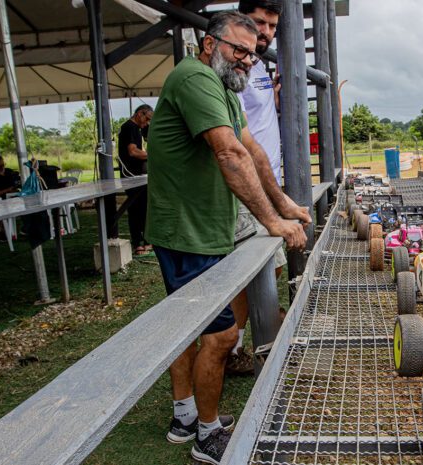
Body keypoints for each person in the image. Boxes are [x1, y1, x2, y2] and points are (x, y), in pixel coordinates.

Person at [145, 11, 310, 464]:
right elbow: (230, 152)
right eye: (238, 49)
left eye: (253, 55)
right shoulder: (196, 78)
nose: (246, 61)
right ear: (208, 43)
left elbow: (251, 146)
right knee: (219, 337)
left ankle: (185, 416)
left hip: (202, 226)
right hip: (185, 231)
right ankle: (206, 433)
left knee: (190, 328)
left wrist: (284, 204)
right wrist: (274, 223)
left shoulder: (222, 85)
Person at [225, 0, 285, 376]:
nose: (265, 31)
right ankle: (230, 345)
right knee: (250, 270)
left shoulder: (258, 65)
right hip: (250, 185)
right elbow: (239, 136)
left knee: (268, 268)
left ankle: (234, 343)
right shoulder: (234, 68)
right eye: (259, 22)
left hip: (268, 182)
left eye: (272, 26)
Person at [117, 104, 153, 255]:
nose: (147, 123)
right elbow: (132, 152)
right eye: (147, 119)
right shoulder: (130, 127)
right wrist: (153, 155)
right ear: (140, 113)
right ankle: (140, 242)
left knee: (137, 208)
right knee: (139, 209)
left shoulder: (134, 128)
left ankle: (140, 242)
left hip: (134, 176)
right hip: (133, 176)